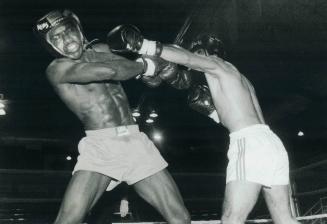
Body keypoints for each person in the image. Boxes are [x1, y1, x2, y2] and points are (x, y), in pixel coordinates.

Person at [107, 26, 301, 224]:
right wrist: (213, 112)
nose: (193, 57)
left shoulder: (217, 65)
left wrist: (143, 45)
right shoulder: (237, 77)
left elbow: (187, 59)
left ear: (206, 52)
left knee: (231, 219)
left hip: (249, 143)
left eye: (197, 52)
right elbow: (239, 114)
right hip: (270, 143)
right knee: (284, 218)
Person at [34, 10, 191, 224]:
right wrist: (147, 67)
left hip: (136, 143)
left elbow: (139, 61)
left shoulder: (101, 49)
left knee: (180, 218)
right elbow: (108, 72)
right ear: (51, 46)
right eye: (57, 38)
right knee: (68, 220)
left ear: (78, 30)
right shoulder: (57, 69)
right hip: (101, 148)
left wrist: (162, 70)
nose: (65, 40)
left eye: (68, 32)